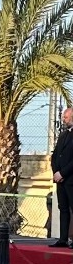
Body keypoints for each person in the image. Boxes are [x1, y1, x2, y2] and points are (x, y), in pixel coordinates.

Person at [50, 106, 72, 247]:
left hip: (70, 179)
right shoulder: (63, 134)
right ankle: (63, 239)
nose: (63, 119)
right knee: (63, 208)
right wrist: (56, 172)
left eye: (65, 117)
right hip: (60, 180)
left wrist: (63, 173)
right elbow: (55, 155)